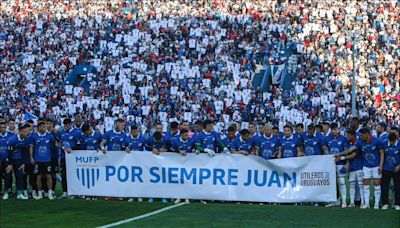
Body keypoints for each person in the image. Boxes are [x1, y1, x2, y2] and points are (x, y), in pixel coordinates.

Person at [341, 128, 384, 209]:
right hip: (366, 166)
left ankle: (376, 204)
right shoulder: (360, 142)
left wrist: (381, 165)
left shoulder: (377, 141)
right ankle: (366, 204)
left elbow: (381, 153)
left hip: (376, 166)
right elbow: (351, 149)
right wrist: (339, 154)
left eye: (361, 135)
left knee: (377, 184)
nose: (360, 137)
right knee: (365, 184)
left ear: (367, 134)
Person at [55, 118, 83, 199]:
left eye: (67, 124)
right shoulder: (62, 132)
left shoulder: (76, 133)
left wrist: (72, 148)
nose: (66, 126)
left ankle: (74, 192)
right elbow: (58, 141)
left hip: (73, 157)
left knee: (73, 175)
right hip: (64, 157)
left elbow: (80, 145)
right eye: (65, 125)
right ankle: (65, 192)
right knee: (64, 174)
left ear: (71, 124)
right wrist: (58, 145)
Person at [29, 121, 56, 200]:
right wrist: (31, 157)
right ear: (39, 128)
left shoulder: (50, 136)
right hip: (38, 160)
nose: (44, 128)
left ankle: (50, 193)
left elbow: (56, 144)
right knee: (38, 176)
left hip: (47, 160)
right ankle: (40, 193)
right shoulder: (34, 136)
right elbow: (31, 147)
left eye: (44, 126)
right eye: (42, 126)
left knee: (48, 176)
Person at [7, 124, 32, 200]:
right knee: (7, 176)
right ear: (20, 132)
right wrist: (10, 164)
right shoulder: (12, 139)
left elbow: (24, 152)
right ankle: (6, 192)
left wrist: (23, 163)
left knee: (19, 176)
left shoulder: (26, 140)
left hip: (19, 160)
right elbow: (9, 152)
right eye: (25, 131)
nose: (26, 133)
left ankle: (19, 193)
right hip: (10, 160)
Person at [380, 133, 400, 210]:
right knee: (384, 186)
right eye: (390, 141)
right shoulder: (384, 144)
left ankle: (397, 203)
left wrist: (399, 166)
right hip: (386, 168)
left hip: (396, 169)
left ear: (396, 139)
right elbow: (381, 154)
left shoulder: (399, 144)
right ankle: (385, 203)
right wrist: (381, 166)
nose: (391, 143)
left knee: (397, 186)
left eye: (393, 141)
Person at [346, 129, 365, 208]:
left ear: (353, 135)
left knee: (361, 185)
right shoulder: (349, 143)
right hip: (352, 167)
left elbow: (354, 155)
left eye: (348, 136)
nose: (347, 137)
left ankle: (363, 202)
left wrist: (341, 157)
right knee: (351, 185)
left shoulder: (358, 143)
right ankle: (352, 202)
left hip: (359, 166)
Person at [0, 121, 14, 200]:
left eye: (4, 127)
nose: (2, 129)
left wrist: (11, 163)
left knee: (8, 176)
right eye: (1, 127)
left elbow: (13, 150)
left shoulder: (11, 136)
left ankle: (7, 191)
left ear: (6, 128)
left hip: (8, 160)